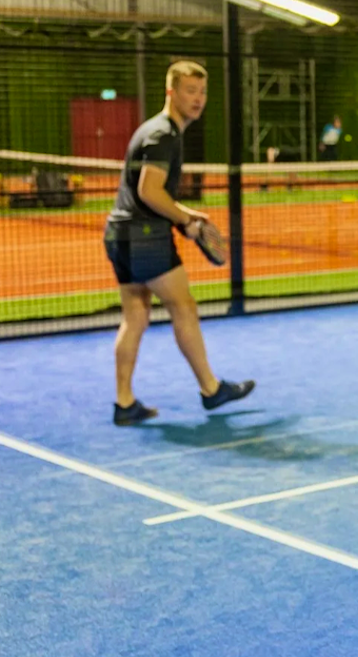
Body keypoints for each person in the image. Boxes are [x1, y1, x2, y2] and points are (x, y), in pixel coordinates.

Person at [104, 60, 254, 426]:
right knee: (183, 306)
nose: (198, 98)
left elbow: (147, 193)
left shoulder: (155, 130)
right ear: (171, 91)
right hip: (144, 237)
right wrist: (184, 219)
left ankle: (124, 403)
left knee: (135, 317)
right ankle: (210, 389)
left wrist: (185, 212)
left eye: (202, 92)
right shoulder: (164, 135)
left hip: (119, 234)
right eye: (190, 90)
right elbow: (149, 191)